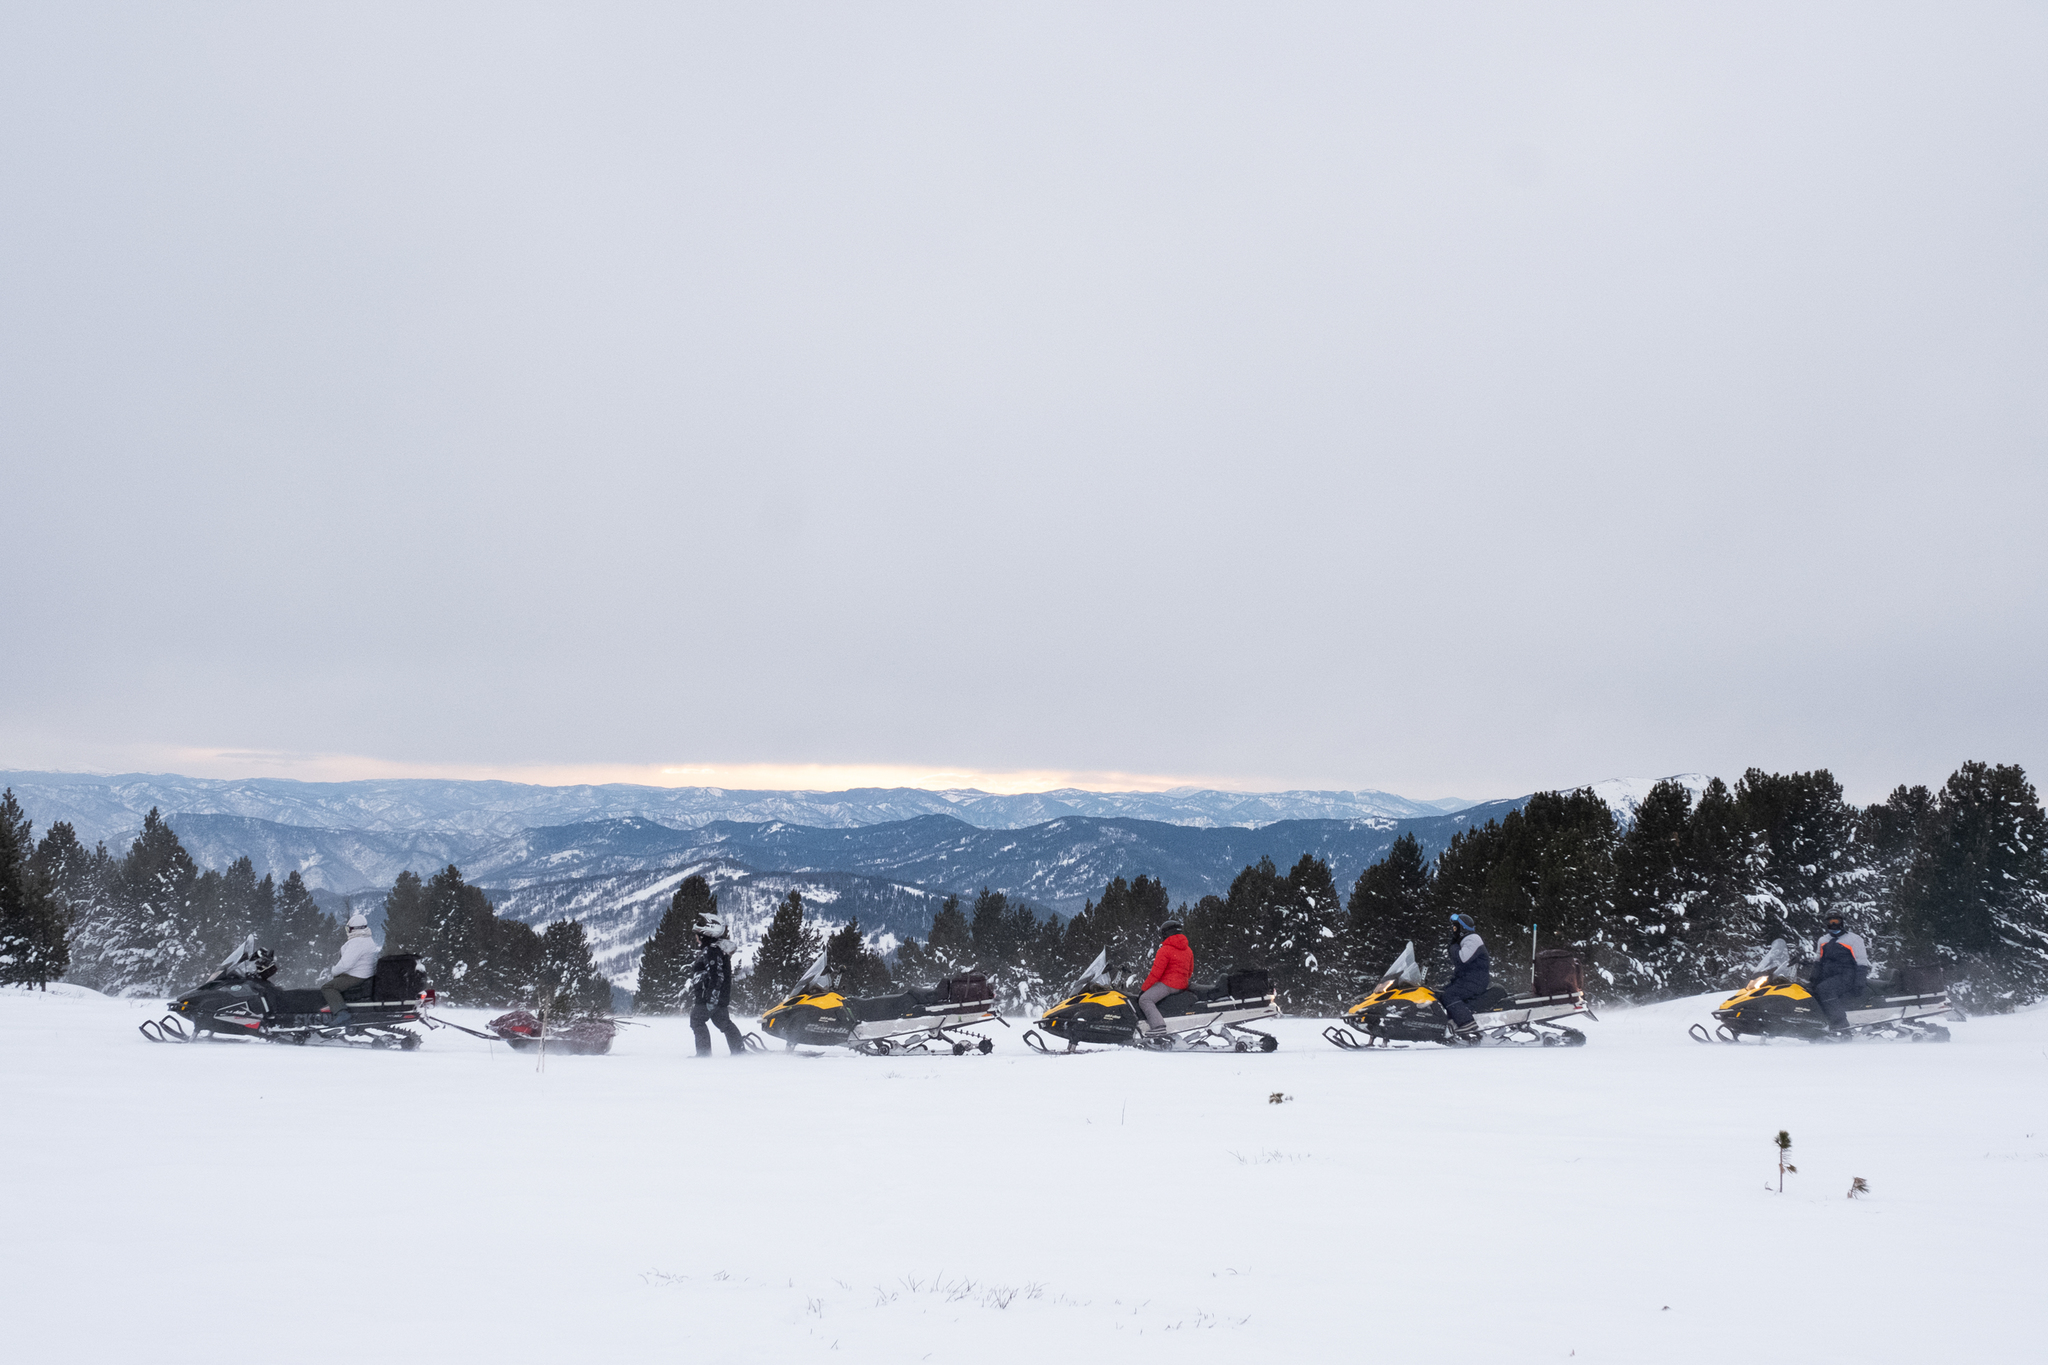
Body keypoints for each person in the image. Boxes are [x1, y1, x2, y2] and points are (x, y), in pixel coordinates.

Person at [689, 916, 749, 1057]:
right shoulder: (716, 950)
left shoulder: (712, 951)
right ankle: (738, 1052)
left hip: (708, 997)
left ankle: (703, 1055)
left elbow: (717, 975)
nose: (696, 939)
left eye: (698, 936)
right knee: (724, 1023)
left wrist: (711, 999)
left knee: (697, 1020)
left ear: (705, 935)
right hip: (716, 997)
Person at [1805, 913, 1872, 1031]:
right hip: (1829, 976)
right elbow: (1818, 961)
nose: (1833, 924)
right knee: (1810, 990)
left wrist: (1859, 982)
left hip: (1847, 975)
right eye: (1830, 922)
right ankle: (1816, 1024)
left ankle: (1840, 1025)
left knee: (1825, 989)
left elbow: (1861, 962)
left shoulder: (1854, 939)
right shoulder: (1823, 940)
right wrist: (1813, 979)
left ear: (1842, 922)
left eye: (1836, 921)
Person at [319, 910, 381, 1022]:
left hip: (356, 976)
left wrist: (334, 971)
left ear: (352, 929)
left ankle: (341, 1013)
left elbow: (345, 964)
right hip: (366, 974)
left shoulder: (357, 942)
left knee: (328, 987)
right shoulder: (367, 939)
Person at [1137, 920, 1194, 1038]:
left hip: (1169, 985)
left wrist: (1144, 989)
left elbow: (1155, 974)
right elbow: (1190, 971)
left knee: (1145, 999)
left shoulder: (1165, 950)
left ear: (1166, 933)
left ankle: (1158, 1027)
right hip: (1182, 986)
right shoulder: (1188, 950)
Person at [1439, 913, 1490, 1042]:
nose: (1453, 930)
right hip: (1468, 979)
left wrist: (1454, 946)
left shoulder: (1473, 938)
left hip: (1475, 981)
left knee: (1449, 996)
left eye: (1455, 928)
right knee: (1440, 994)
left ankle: (1467, 1023)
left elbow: (1462, 959)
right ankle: (1451, 1026)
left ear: (1463, 928)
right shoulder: (1466, 939)